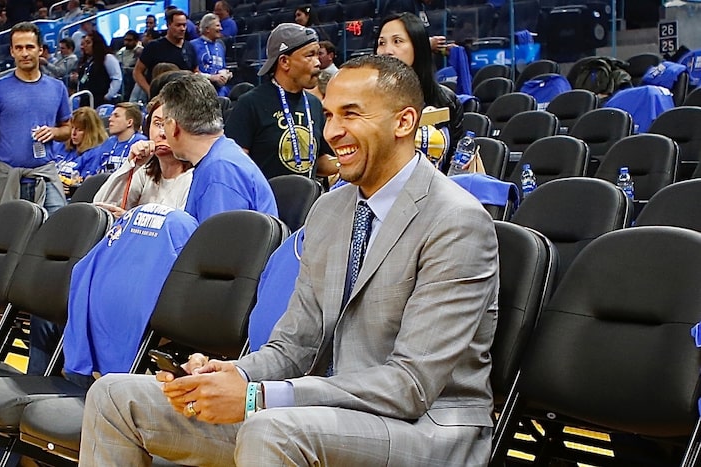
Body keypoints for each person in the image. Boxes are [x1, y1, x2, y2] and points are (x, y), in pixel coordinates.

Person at [79, 54, 498, 467]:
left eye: (351, 115)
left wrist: (259, 397)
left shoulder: (456, 221)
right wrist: (234, 376)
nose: (332, 131)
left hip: (426, 429)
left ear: (404, 122)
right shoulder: (331, 210)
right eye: (329, 115)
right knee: (116, 397)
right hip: (314, 415)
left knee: (272, 429)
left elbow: (410, 385)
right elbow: (294, 345)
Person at [156, 73, 276, 223]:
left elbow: (219, 244)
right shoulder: (222, 156)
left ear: (173, 126)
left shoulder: (220, 172)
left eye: (163, 122)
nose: (162, 132)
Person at [0, 21, 71, 216]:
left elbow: (67, 129)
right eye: (18, 48)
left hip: (45, 176)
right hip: (8, 176)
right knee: (11, 239)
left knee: (57, 233)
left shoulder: (57, 88)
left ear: (40, 50)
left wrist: (54, 132)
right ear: (11, 51)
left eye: (29, 47)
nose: (24, 53)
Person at [224, 23, 337, 180]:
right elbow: (235, 167)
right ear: (284, 62)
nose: (318, 62)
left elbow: (318, 161)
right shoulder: (251, 103)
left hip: (308, 201)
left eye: (318, 55)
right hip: (265, 202)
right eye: (309, 55)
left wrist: (344, 165)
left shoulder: (314, 104)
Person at [376, 12, 463, 166]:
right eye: (381, 43)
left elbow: (456, 161)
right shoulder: (366, 100)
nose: (387, 51)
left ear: (418, 47)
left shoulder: (446, 100)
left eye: (397, 41)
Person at [93, 98, 193, 217]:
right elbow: (100, 208)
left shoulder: (195, 178)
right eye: (158, 124)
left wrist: (131, 219)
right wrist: (130, 165)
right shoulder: (143, 170)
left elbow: (181, 229)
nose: (162, 133)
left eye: (170, 124)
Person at [132, 9, 196, 100]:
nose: (182, 29)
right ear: (168, 25)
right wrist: (150, 91)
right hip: (160, 99)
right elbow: (137, 72)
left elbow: (195, 71)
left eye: (184, 25)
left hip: (183, 99)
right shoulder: (154, 46)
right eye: (178, 25)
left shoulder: (190, 47)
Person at [82, 101, 146, 176]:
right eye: (111, 115)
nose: (110, 119)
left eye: (116, 116)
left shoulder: (141, 143)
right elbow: (92, 172)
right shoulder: (109, 142)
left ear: (129, 122)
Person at [51, 106, 107, 191]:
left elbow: (85, 186)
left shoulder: (96, 154)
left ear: (91, 132)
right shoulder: (61, 145)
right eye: (72, 128)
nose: (73, 133)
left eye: (79, 130)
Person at [75, 31, 122, 107]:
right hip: (86, 100)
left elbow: (116, 78)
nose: (85, 46)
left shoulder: (107, 58)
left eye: (88, 43)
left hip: (100, 101)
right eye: (84, 43)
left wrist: (108, 96)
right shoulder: (87, 60)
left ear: (96, 44)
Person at [191, 13, 231, 97]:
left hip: (220, 93)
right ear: (207, 29)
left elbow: (222, 67)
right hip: (200, 93)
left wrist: (226, 75)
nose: (221, 28)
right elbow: (191, 72)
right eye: (217, 26)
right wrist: (212, 77)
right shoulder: (192, 45)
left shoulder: (220, 46)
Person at [116, 30, 142, 100]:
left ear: (136, 41)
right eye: (125, 40)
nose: (126, 42)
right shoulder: (121, 51)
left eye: (129, 40)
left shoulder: (139, 51)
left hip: (133, 80)